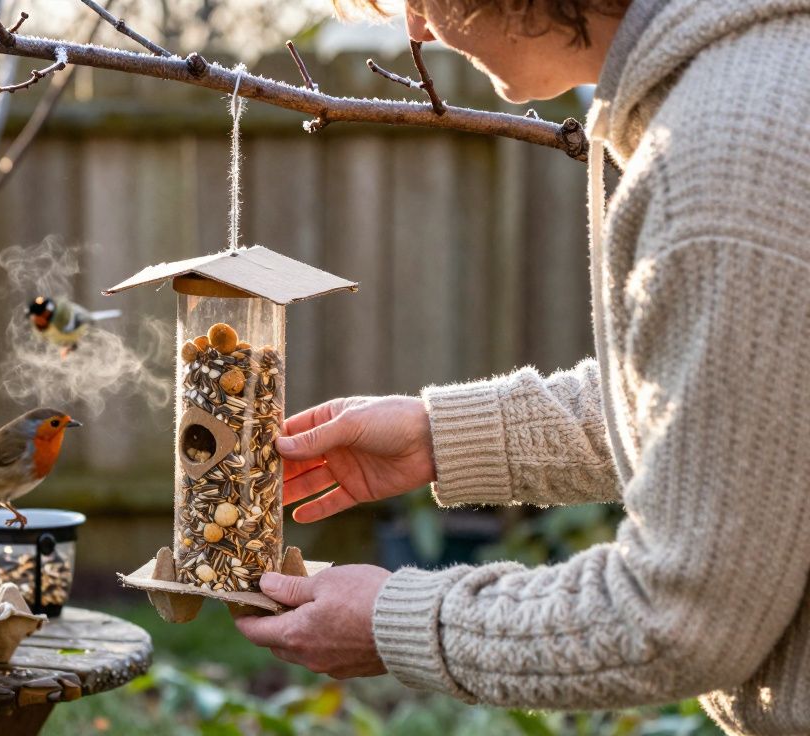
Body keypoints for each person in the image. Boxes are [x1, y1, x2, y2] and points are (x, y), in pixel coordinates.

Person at [232, 0, 810, 733]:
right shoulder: (755, 90)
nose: (416, 30)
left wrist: (398, 623)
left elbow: (679, 616)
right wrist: (444, 436)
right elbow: (740, 405)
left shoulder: (726, 160)